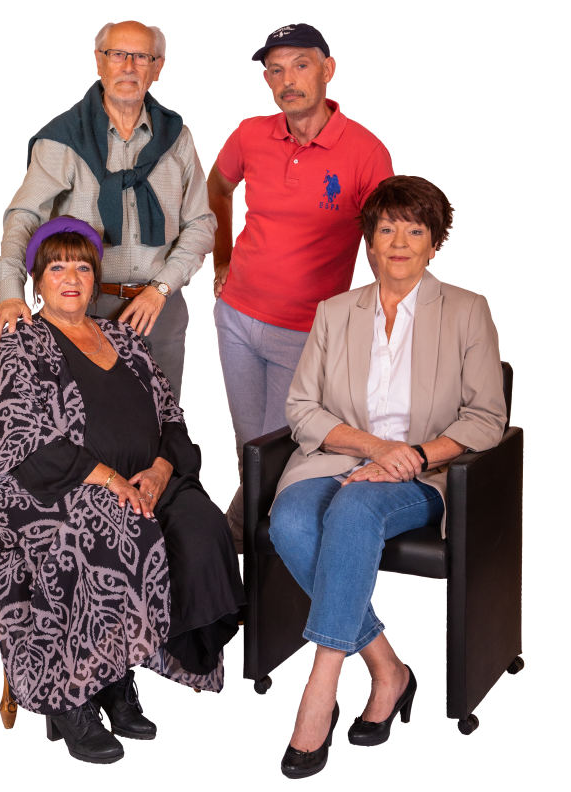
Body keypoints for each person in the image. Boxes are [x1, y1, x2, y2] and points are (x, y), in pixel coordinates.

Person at [0, 217, 245, 765]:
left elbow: (171, 418)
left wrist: (161, 469)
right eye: (56, 267)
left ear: (95, 278)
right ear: (36, 280)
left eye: (82, 267)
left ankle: (118, 669)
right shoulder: (19, 348)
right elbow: (17, 441)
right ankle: (71, 697)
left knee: (203, 525)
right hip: (49, 490)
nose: (71, 278)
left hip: (144, 480)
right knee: (118, 525)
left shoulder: (124, 339)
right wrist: (110, 478)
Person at [267, 175, 506, 779]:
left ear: (435, 243)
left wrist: (414, 456)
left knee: (353, 510)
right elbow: (302, 409)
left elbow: (487, 417)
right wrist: (375, 447)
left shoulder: (468, 309)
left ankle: (321, 683)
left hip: (428, 472)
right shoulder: (335, 313)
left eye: (415, 230)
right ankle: (387, 667)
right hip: (339, 461)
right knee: (289, 519)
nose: (399, 242)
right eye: (386, 229)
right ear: (368, 243)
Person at [207, 23, 394, 553]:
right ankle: (242, 563)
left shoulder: (366, 151)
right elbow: (217, 187)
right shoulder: (250, 134)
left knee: (275, 453)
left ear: (328, 69)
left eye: (301, 65)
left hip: (305, 332)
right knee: (250, 449)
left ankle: (228, 549)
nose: (287, 79)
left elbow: (387, 241)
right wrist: (222, 257)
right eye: (276, 69)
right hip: (237, 318)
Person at [0, 20, 216, 401]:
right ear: (99, 61)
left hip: (160, 309)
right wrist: (11, 293)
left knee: (164, 418)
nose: (128, 66)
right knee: (88, 419)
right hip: (83, 305)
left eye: (141, 57)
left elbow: (201, 224)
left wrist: (160, 289)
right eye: (117, 54)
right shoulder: (64, 138)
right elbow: (23, 217)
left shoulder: (177, 137)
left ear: (157, 67)